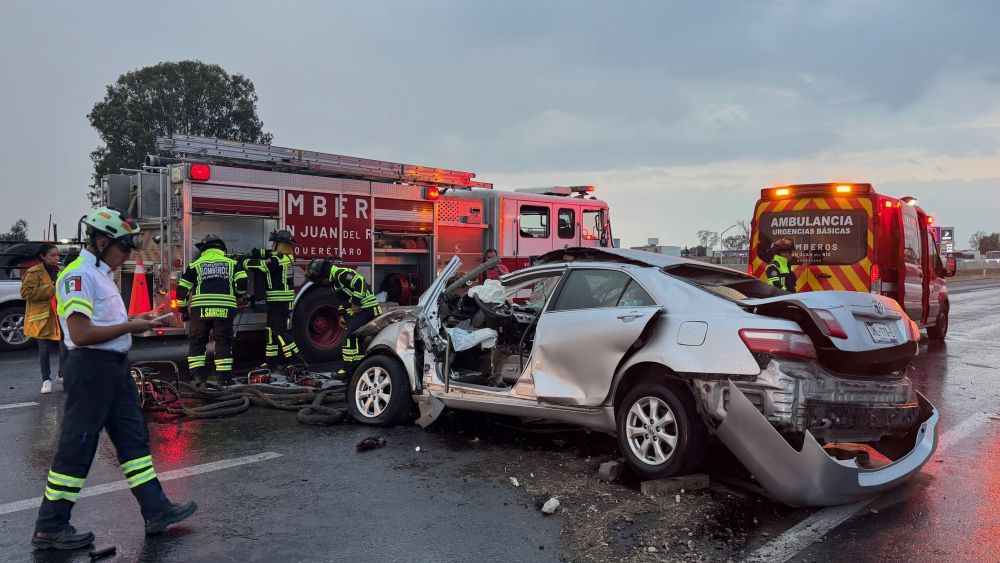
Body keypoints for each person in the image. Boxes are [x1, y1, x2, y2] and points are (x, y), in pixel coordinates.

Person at [32, 207, 196, 551]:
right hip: (91, 369)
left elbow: (104, 323)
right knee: (77, 447)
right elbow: (81, 332)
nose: (128, 255)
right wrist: (131, 326)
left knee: (134, 440)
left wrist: (138, 318)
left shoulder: (102, 273)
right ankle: (51, 526)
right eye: (124, 248)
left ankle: (157, 511)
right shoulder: (78, 276)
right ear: (102, 241)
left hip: (114, 368)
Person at [177, 234, 247, 386]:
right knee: (223, 342)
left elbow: (182, 289)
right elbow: (242, 282)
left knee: (197, 342)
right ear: (221, 248)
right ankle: (224, 379)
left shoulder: (195, 264)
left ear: (203, 249)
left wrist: (183, 309)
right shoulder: (231, 263)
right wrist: (237, 294)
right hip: (224, 309)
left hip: (200, 310)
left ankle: (197, 378)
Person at [306, 257, 382, 379]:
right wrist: (341, 315)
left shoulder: (340, 274)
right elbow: (342, 300)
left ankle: (347, 370)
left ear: (324, 274)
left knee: (348, 337)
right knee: (357, 339)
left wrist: (356, 303)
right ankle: (358, 367)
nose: (322, 283)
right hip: (358, 312)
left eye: (321, 280)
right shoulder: (333, 282)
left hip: (367, 309)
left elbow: (360, 281)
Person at [244, 229, 307, 372]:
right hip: (278, 302)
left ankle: (298, 361)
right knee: (271, 332)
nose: (272, 245)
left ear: (280, 244)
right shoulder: (284, 257)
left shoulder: (278, 260)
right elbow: (268, 254)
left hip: (279, 302)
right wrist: (257, 252)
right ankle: (271, 363)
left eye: (274, 243)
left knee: (280, 332)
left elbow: (261, 265)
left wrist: (244, 261)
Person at [21, 243, 66, 394]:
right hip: (43, 316)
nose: (56, 258)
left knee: (65, 346)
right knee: (44, 350)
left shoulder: (62, 270)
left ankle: (62, 374)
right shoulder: (34, 272)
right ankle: (46, 380)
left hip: (60, 314)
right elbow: (26, 293)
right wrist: (50, 290)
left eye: (57, 255)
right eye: (52, 255)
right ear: (42, 257)